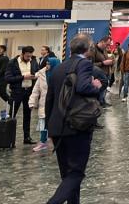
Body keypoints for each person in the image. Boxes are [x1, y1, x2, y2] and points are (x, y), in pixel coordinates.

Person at [46, 34, 102, 204]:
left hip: (57, 127)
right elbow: (83, 86)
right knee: (76, 173)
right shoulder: (84, 63)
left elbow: (50, 99)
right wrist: (96, 86)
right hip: (76, 126)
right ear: (87, 49)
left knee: (67, 176)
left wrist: (49, 129)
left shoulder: (59, 67)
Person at [5, 45, 39, 144]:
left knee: (27, 115)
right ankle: (8, 138)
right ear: (22, 54)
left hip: (28, 91)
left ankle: (27, 137)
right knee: (12, 114)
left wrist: (34, 76)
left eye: (30, 56)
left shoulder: (33, 61)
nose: (29, 58)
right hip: (17, 92)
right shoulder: (12, 63)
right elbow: (8, 78)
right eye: (27, 56)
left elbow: (36, 72)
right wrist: (23, 77)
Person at [29, 56, 61, 151]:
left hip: (56, 103)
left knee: (55, 123)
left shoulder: (59, 75)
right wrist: (32, 102)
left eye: (49, 64)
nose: (47, 65)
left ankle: (57, 143)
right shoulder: (42, 74)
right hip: (44, 103)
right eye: (46, 63)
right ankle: (43, 142)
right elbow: (36, 89)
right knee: (43, 122)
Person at [89, 36, 114, 107]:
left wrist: (110, 61)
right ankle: (98, 103)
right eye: (107, 44)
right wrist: (103, 63)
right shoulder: (93, 50)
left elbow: (105, 59)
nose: (108, 46)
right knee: (99, 90)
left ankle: (102, 101)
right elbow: (90, 64)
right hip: (97, 76)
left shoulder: (104, 50)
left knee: (104, 90)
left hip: (105, 74)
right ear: (102, 42)